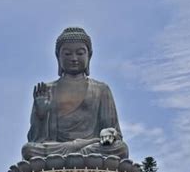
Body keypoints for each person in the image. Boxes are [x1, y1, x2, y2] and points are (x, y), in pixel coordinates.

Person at [21, 27, 129, 161]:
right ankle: (76, 156)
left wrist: (108, 133)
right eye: (67, 53)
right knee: (29, 150)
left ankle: (76, 155)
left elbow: (113, 133)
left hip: (91, 147)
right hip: (58, 149)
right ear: (58, 56)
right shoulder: (47, 90)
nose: (74, 58)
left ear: (89, 55)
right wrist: (41, 115)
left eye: (80, 53)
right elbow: (35, 139)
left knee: (120, 148)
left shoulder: (101, 89)